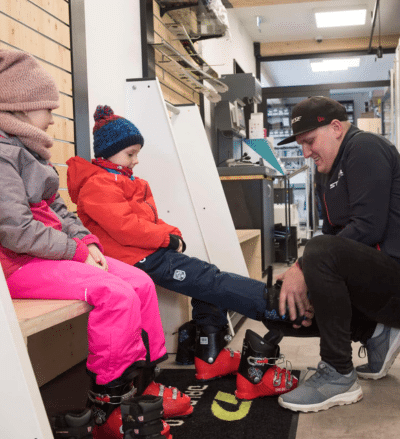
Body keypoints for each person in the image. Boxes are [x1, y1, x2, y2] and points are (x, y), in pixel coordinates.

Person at [0, 49, 187, 439]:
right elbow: (14, 230)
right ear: (20, 106)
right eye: (47, 108)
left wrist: (90, 244)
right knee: (114, 293)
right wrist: (78, 251)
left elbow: (60, 212)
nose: (51, 118)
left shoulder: (30, 151)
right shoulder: (2, 155)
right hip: (19, 265)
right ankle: (108, 401)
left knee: (138, 284)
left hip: (52, 254)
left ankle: (144, 388)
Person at [67, 105, 300, 401]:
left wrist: (172, 232)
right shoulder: (97, 184)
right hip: (132, 259)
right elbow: (125, 228)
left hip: (147, 252)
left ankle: (210, 356)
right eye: (130, 154)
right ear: (107, 153)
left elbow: (149, 221)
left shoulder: (131, 181)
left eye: (137, 153)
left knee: (204, 277)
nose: (136, 160)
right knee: (208, 279)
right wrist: (168, 238)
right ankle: (269, 303)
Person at [264, 95, 400, 413]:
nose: (306, 152)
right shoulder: (328, 171)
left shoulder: (365, 148)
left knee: (317, 251)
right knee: (282, 302)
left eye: (310, 141)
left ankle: (338, 373)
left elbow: (367, 228)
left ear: (336, 127)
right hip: (374, 287)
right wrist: (305, 278)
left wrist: (304, 265)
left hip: (394, 277)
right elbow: (332, 234)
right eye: (301, 144)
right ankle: (377, 333)